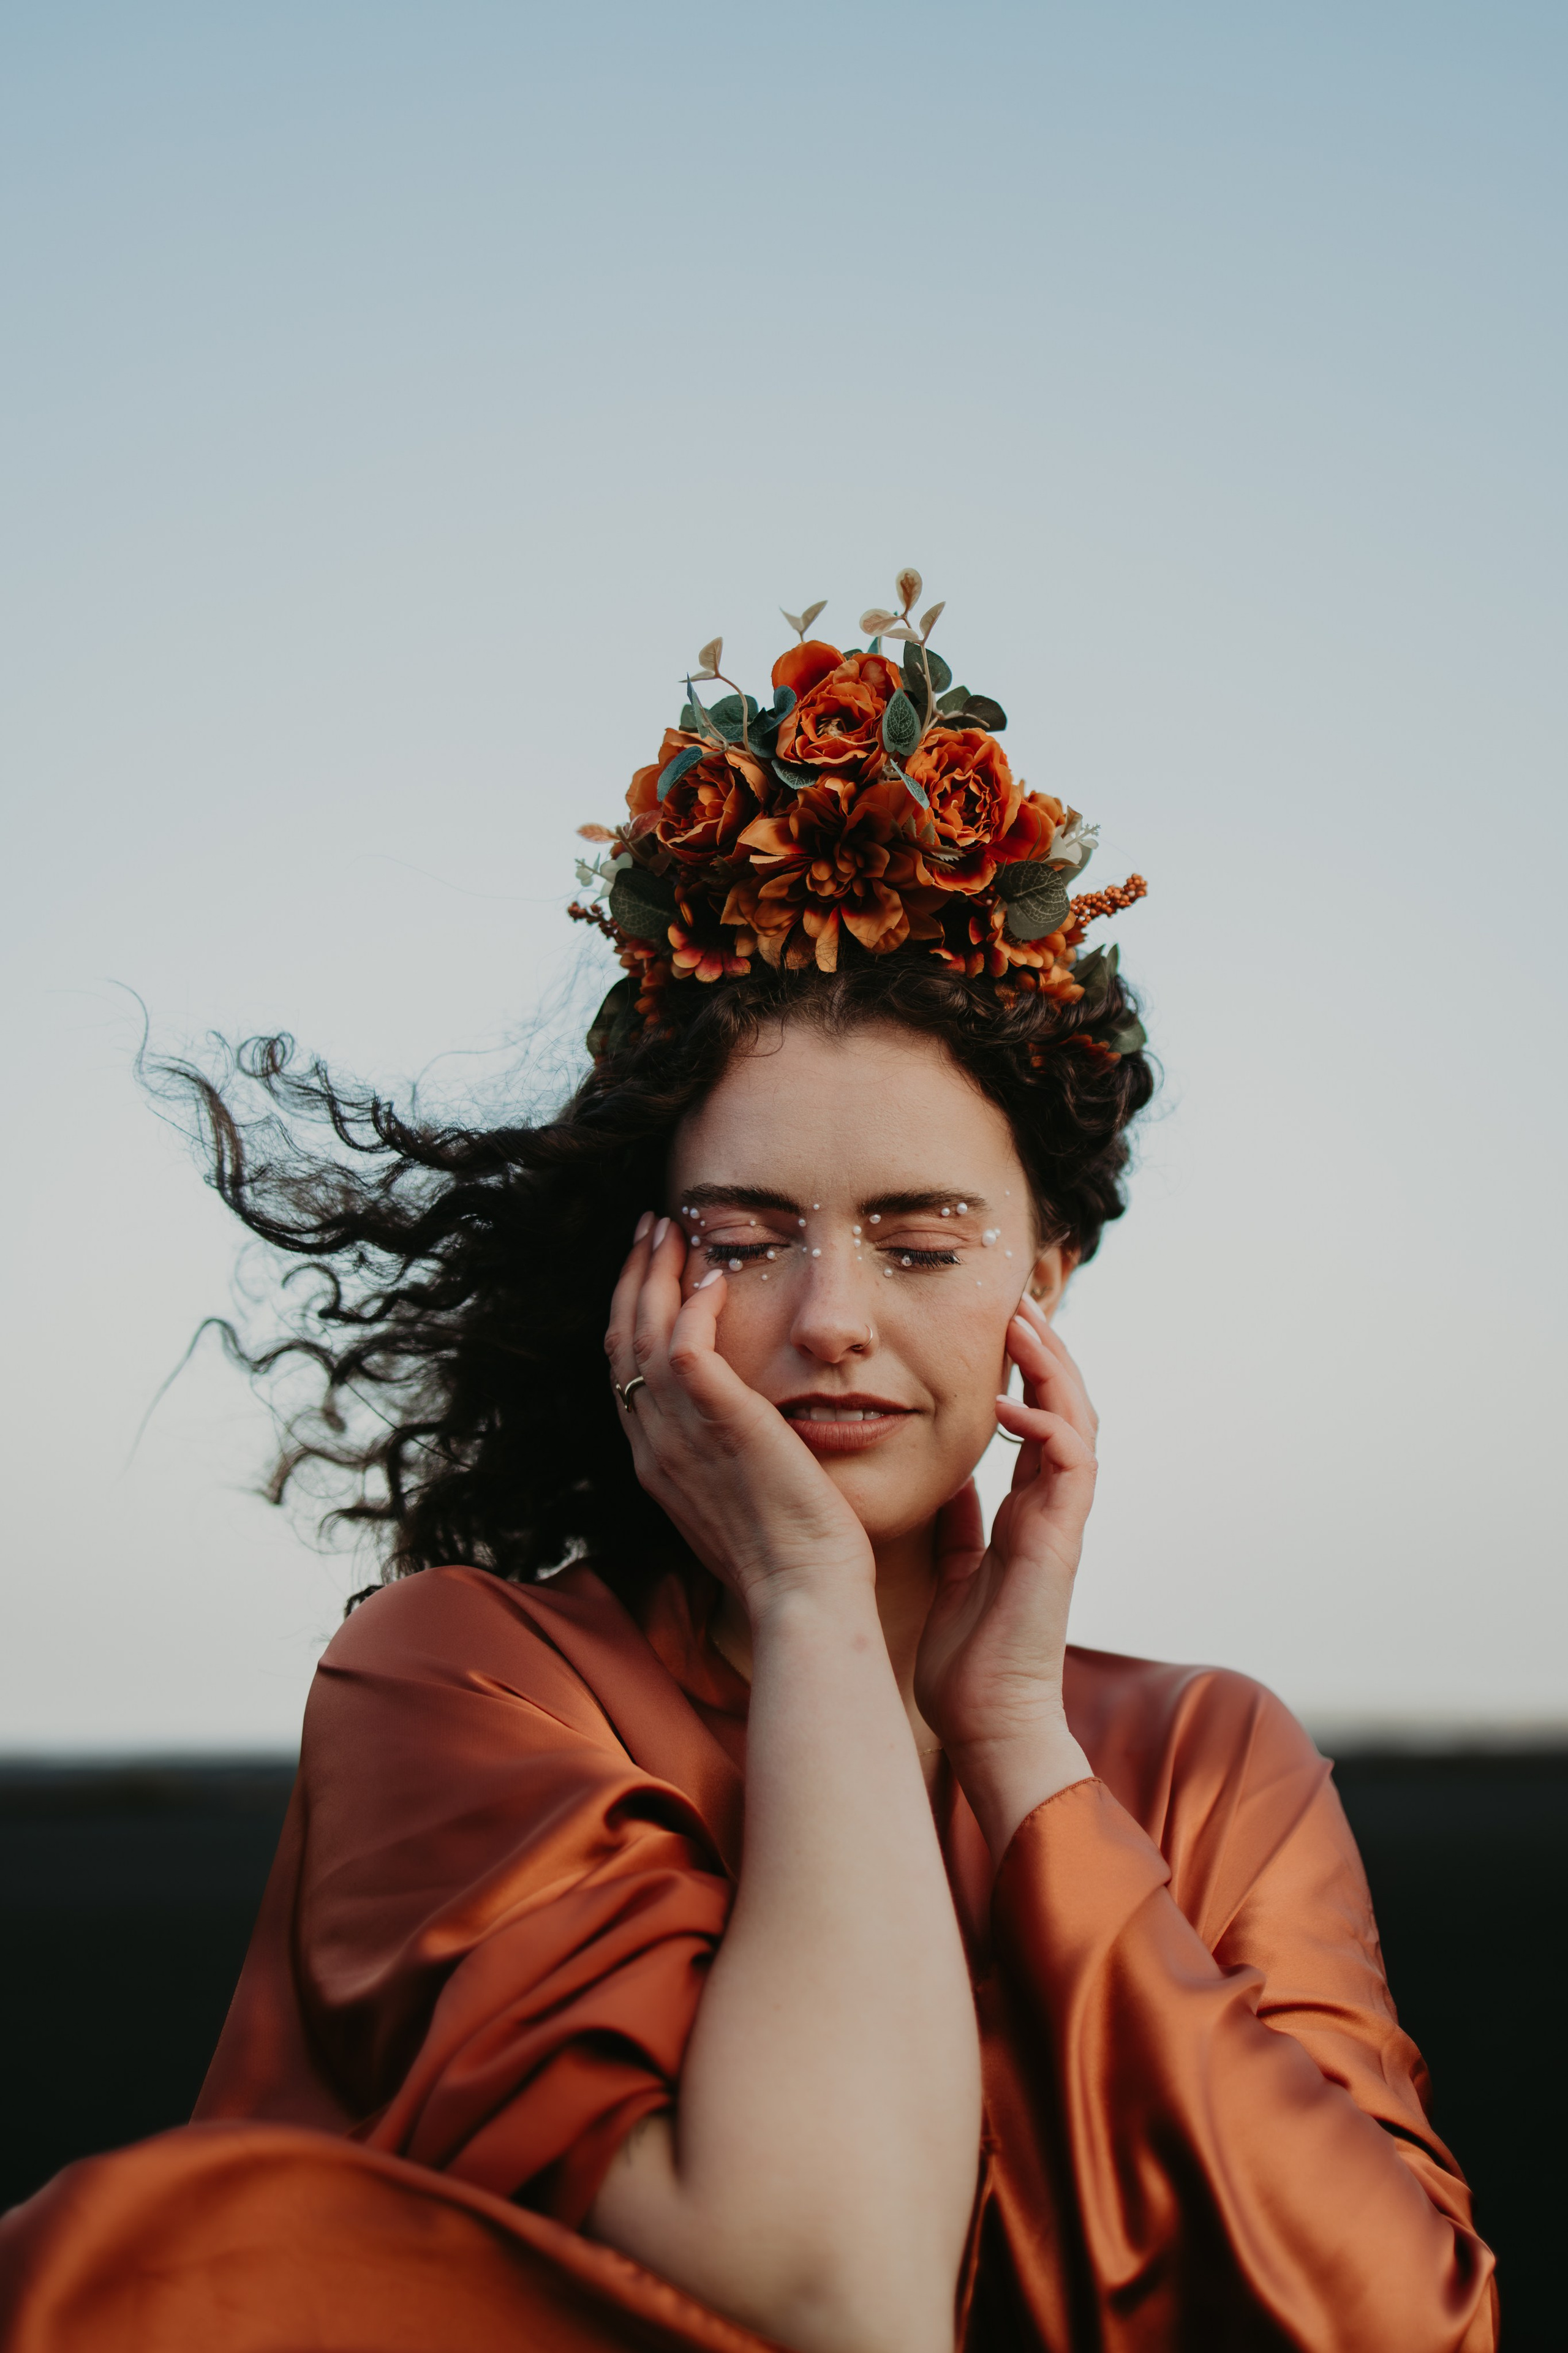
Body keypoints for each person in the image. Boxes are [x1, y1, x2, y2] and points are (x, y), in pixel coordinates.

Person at [0, 582, 1497, 2352]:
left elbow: (1407, 2326)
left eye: (921, 1243)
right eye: (746, 1238)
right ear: (646, 1277)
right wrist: (807, 1601)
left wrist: (1024, 1753)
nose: (832, 1320)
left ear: (1048, 1273)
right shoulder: (460, 1673)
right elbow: (830, 2289)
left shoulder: (1203, 1754)